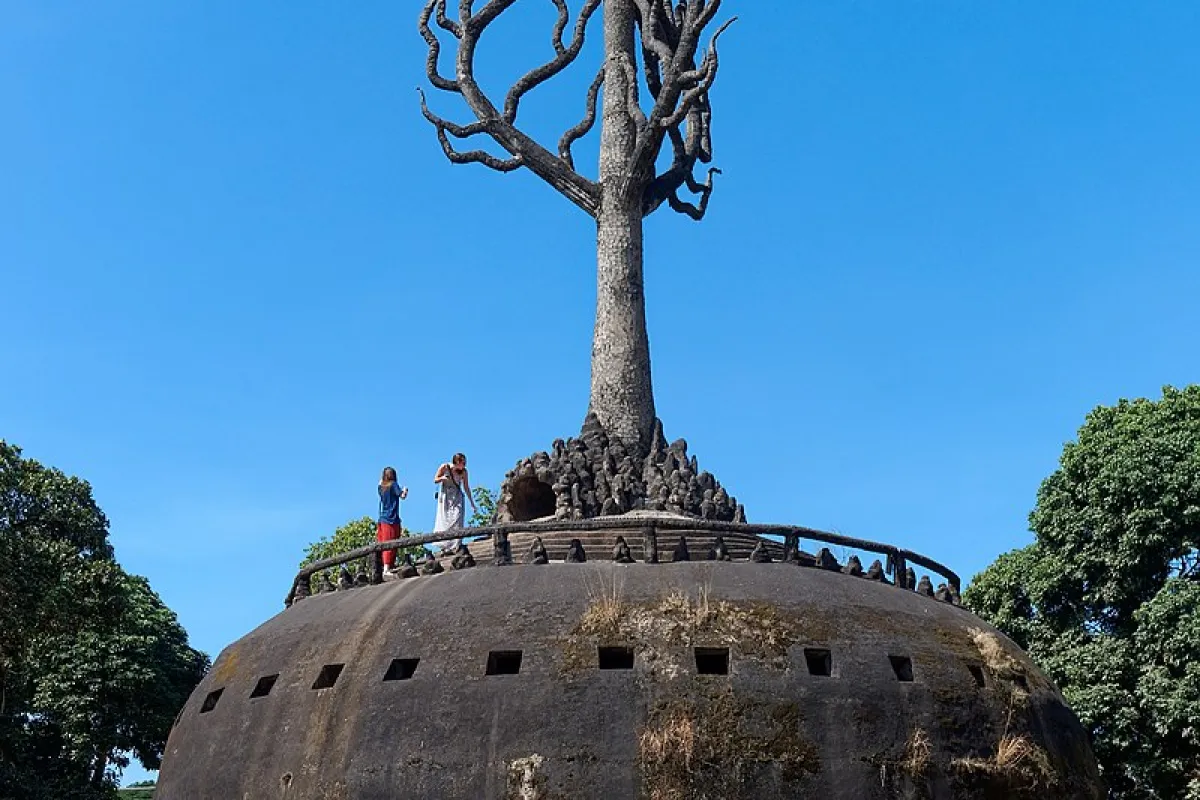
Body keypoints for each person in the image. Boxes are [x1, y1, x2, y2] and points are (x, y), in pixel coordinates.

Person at [433, 452, 475, 554]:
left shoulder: (464, 472)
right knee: (445, 519)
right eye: (462, 463)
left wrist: (472, 503)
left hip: (457, 496)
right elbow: (435, 479)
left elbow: (466, 487)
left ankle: (456, 545)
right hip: (446, 496)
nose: (464, 465)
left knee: (457, 518)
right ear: (456, 462)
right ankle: (445, 545)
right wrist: (442, 478)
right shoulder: (445, 467)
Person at [378, 467, 409, 573]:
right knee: (392, 542)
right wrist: (405, 490)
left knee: (384, 542)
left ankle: (387, 565)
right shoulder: (393, 485)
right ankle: (387, 567)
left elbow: (379, 483)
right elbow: (402, 496)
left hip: (383, 518)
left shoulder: (381, 487)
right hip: (392, 519)